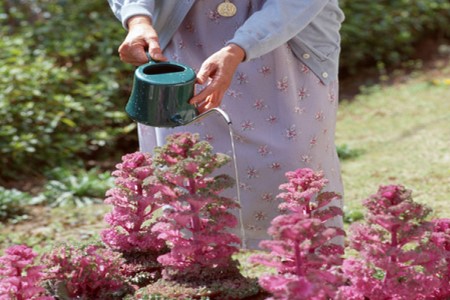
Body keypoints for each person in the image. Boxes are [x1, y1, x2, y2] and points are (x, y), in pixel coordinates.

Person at [108, 0, 345, 249]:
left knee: (292, 165)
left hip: (284, 46)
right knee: (190, 169)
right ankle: (200, 267)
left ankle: (309, 272)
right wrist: (137, 19)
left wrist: (238, 49)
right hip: (184, 47)